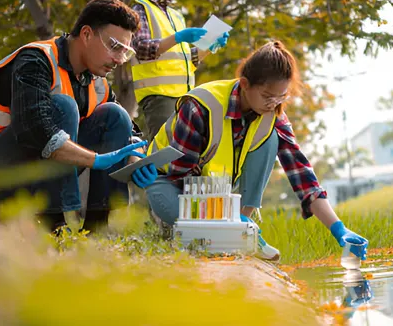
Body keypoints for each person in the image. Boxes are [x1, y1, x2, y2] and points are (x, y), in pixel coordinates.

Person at [144, 41, 369, 261]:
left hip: (218, 193)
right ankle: (235, 232)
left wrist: (339, 229)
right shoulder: (200, 105)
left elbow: (302, 175)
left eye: (281, 97)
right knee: (193, 224)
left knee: (272, 139)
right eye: (267, 96)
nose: (273, 104)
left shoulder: (273, 117)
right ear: (244, 84)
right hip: (169, 184)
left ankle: (242, 228)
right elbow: (181, 176)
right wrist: (228, 219)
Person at [0, 0, 158, 233]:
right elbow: (33, 128)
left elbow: (130, 128)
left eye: (124, 52)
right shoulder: (35, 60)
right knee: (63, 106)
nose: (118, 60)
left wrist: (135, 157)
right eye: (114, 47)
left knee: (115, 115)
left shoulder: (97, 82)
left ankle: (98, 231)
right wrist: (95, 159)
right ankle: (54, 228)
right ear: (86, 34)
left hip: (36, 168)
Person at [130, 0, 230, 141]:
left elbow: (188, 61)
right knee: (164, 153)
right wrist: (178, 37)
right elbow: (141, 49)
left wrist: (210, 45)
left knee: (187, 153)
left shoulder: (176, 15)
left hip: (185, 97)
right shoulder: (140, 9)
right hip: (159, 98)